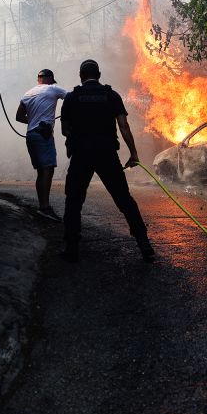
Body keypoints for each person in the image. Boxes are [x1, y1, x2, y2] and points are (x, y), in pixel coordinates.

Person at [60, 59, 155, 262]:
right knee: (124, 199)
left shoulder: (72, 97)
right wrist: (134, 153)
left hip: (81, 155)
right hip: (107, 154)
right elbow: (124, 126)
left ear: (81, 76)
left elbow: (64, 129)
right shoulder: (111, 95)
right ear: (99, 75)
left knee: (74, 200)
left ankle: (71, 247)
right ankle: (143, 243)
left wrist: (77, 133)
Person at [16, 69, 68, 221]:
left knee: (41, 171)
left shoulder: (28, 93)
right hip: (42, 136)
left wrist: (34, 121)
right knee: (47, 170)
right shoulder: (53, 88)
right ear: (50, 78)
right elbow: (72, 98)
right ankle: (45, 208)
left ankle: (42, 206)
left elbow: (19, 116)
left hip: (31, 136)